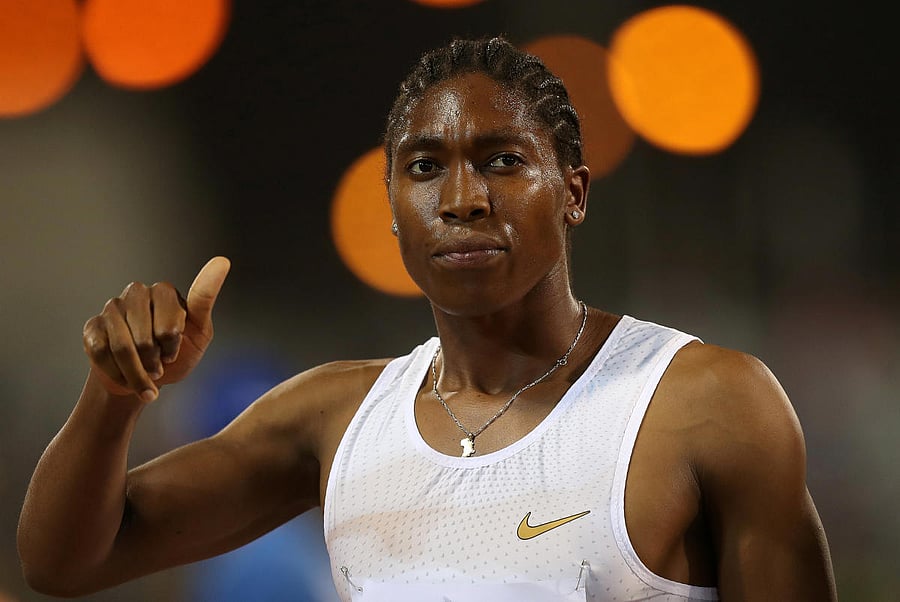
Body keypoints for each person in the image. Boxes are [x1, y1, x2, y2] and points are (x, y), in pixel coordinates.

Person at [17, 37, 836, 601]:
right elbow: (63, 560)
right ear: (394, 210)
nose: (461, 198)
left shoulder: (707, 405)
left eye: (503, 160)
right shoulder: (334, 419)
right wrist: (114, 397)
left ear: (575, 192)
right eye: (424, 168)